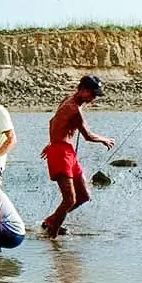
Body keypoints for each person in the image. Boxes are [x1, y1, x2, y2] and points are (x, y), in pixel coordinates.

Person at [40, 75, 115, 238]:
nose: (94, 98)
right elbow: (88, 136)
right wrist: (104, 140)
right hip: (61, 154)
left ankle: (51, 221)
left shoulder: (68, 99)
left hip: (66, 151)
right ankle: (51, 237)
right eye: (92, 94)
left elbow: (53, 121)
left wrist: (52, 141)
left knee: (83, 196)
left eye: (96, 95)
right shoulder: (75, 110)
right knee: (69, 200)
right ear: (82, 90)